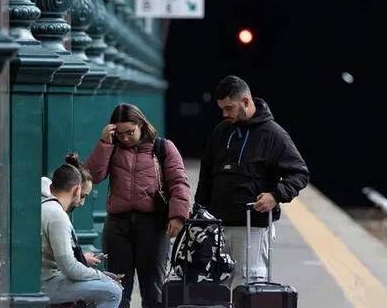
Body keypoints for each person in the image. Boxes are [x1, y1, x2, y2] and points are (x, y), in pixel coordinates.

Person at [195, 75, 310, 288]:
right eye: (222, 108)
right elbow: (206, 177)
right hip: (216, 226)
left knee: (248, 287)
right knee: (216, 290)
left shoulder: (274, 135)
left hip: (252, 227)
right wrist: (199, 215)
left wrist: (276, 195)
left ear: (246, 102)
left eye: (229, 108)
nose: (224, 114)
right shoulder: (221, 132)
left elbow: (300, 173)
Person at [86, 103, 191, 308]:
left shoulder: (163, 147)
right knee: (117, 287)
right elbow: (92, 177)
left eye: (130, 132)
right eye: (120, 133)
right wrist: (104, 144)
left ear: (141, 124)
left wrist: (178, 216)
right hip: (118, 226)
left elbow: (179, 182)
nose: (125, 138)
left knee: (154, 290)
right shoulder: (111, 148)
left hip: (152, 224)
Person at [41, 153, 123, 308]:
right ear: (77, 189)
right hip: (48, 284)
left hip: (44, 279)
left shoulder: (46, 205)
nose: (82, 202)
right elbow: (69, 268)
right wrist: (101, 277)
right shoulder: (57, 216)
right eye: (83, 196)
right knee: (113, 291)